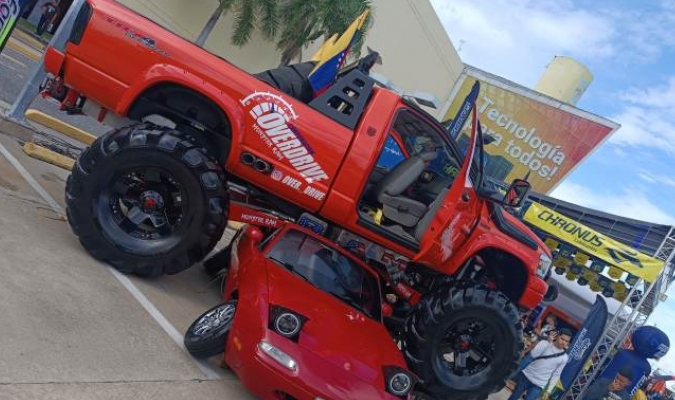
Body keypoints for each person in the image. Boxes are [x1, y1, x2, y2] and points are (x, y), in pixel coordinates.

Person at [507, 328, 572, 400]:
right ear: (556, 336)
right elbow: (532, 355)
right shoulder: (544, 343)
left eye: (566, 341)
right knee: (513, 397)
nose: (563, 342)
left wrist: (548, 391)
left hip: (539, 385)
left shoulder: (564, 357)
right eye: (562, 339)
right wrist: (547, 343)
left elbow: (556, 374)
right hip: (526, 376)